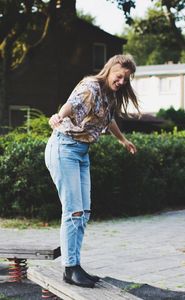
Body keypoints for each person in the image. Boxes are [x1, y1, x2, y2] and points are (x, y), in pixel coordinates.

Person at [45, 54, 140, 288]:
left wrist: (123, 140)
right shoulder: (90, 86)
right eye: (119, 77)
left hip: (81, 153)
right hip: (64, 147)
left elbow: (108, 120)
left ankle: (75, 265)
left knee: (84, 212)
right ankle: (70, 268)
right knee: (73, 211)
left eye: (126, 79)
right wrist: (58, 116)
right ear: (109, 70)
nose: (121, 82)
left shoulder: (110, 95)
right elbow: (72, 105)